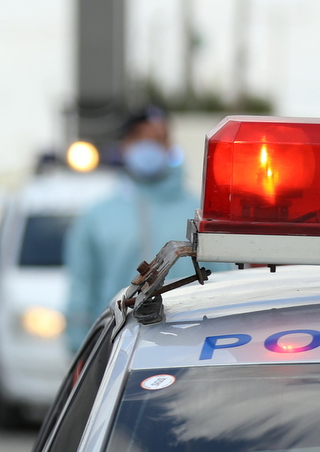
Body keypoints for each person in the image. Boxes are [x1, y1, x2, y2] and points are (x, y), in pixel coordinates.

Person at [63, 106, 228, 348]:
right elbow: (81, 287)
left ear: (170, 145)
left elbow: (224, 280)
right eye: (140, 139)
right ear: (124, 146)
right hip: (116, 348)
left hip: (192, 344)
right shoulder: (97, 217)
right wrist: (78, 348)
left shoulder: (201, 213)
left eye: (157, 139)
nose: (149, 147)